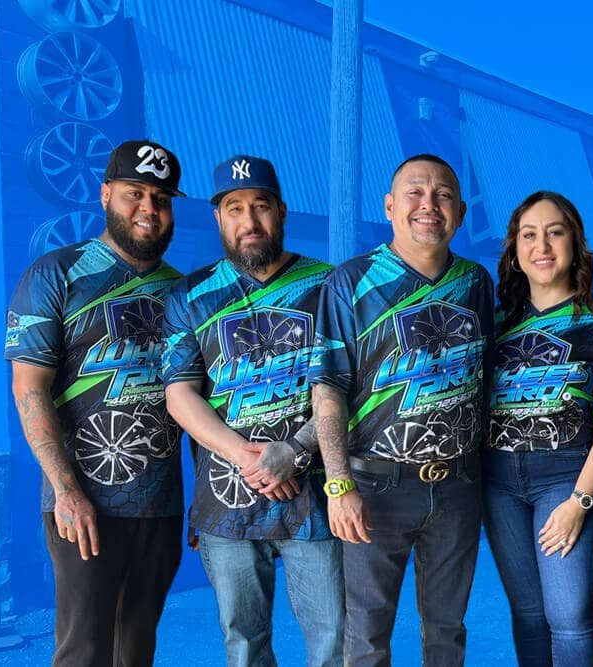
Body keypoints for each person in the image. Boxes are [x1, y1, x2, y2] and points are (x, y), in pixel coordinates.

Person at [5, 139, 186, 665]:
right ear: (105, 194)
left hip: (161, 506)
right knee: (84, 652)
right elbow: (28, 389)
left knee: (136, 650)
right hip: (83, 504)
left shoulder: (185, 292)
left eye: (161, 197)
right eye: (135, 193)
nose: (148, 208)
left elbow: (199, 400)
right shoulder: (56, 273)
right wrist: (66, 492)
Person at [309, 154, 493, 666]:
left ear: (458, 211)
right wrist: (339, 483)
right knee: (367, 636)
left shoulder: (476, 281)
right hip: (376, 486)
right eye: (415, 193)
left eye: (443, 195)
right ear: (390, 206)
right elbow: (328, 388)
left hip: (457, 485)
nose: (428, 205)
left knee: (447, 631)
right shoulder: (352, 281)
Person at [162, 154, 344, 666]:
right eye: (234, 208)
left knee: (334, 638)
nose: (249, 221)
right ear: (218, 218)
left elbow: (348, 387)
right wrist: (252, 457)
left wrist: (296, 451)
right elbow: (180, 394)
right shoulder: (190, 295)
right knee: (243, 642)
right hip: (228, 502)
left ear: (282, 212)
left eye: (260, 206)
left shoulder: (327, 284)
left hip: (315, 497)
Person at [485, 191, 593, 666]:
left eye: (555, 232)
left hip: (567, 481)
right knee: (528, 614)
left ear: (574, 242)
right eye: (529, 235)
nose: (543, 245)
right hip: (499, 486)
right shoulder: (496, 325)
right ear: (514, 250)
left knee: (569, 618)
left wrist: (581, 501)